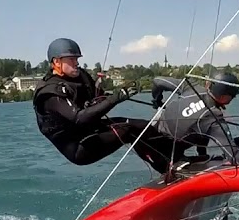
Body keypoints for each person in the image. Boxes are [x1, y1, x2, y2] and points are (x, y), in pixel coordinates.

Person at [32, 37, 151, 166]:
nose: (76, 63)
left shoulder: (81, 76)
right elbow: (79, 118)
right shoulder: (50, 93)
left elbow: (99, 98)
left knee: (142, 125)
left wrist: (115, 94)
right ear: (56, 62)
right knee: (130, 130)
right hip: (79, 147)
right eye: (71, 59)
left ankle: (171, 156)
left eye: (77, 59)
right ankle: (167, 167)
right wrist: (114, 99)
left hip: (92, 129)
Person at [145, 71, 239, 168]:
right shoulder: (214, 117)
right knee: (205, 127)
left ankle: (203, 155)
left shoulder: (191, 87)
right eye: (232, 96)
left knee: (198, 125)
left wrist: (157, 100)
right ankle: (189, 158)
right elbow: (236, 159)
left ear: (209, 85)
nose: (233, 98)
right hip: (168, 151)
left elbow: (157, 80)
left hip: (152, 132)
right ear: (223, 97)